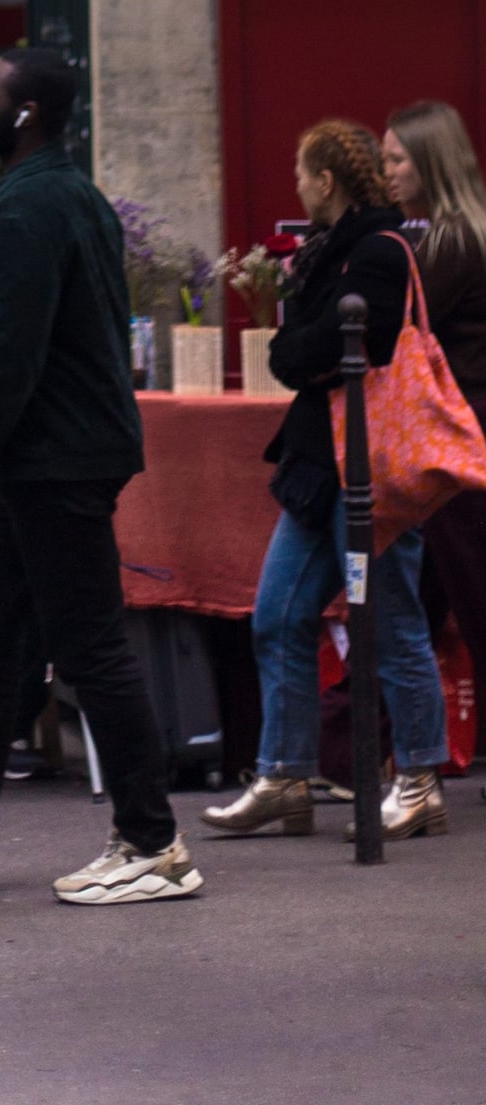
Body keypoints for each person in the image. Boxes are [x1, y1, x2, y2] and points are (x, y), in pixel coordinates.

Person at [0, 46, 203, 905]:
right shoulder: (64, 194)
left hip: (57, 459)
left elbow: (5, 362)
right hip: (47, 456)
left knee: (90, 645)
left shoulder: (27, 210)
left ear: (25, 115)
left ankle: (152, 841)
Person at [204, 118, 449, 843]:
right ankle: (283, 775)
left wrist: (295, 345)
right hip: (321, 466)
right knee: (279, 612)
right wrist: (293, 344)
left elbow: (352, 345)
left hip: (367, 465)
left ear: (327, 181)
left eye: (302, 172)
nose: (296, 185)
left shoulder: (374, 251)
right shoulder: (333, 253)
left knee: (394, 621)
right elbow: (293, 351)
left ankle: (420, 780)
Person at [383, 98, 486, 699]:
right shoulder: (464, 235)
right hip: (465, 446)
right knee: (423, 604)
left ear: (430, 162)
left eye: (397, 159)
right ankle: (363, 756)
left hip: (459, 451)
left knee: (464, 605)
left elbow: (394, 339)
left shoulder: (447, 247)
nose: (387, 171)